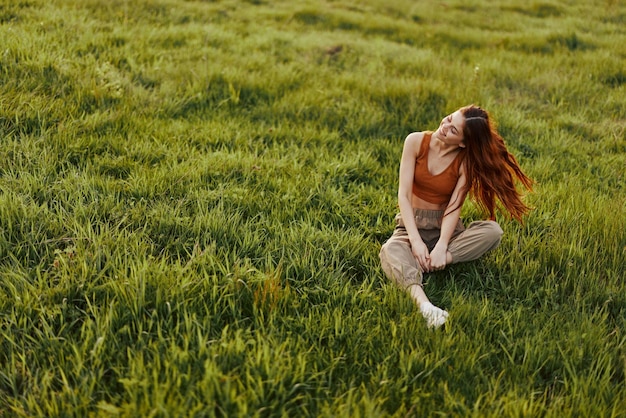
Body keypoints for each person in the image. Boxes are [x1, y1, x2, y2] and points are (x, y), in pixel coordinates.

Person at [379, 105, 533, 328]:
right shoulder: (415, 141)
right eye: (449, 119)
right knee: (390, 249)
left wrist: (442, 246)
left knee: (493, 231)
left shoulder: (465, 162)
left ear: (462, 143)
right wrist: (415, 241)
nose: (444, 127)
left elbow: (454, 207)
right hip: (411, 226)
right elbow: (403, 195)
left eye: (453, 130)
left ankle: (433, 261)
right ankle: (426, 307)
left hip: (446, 231)